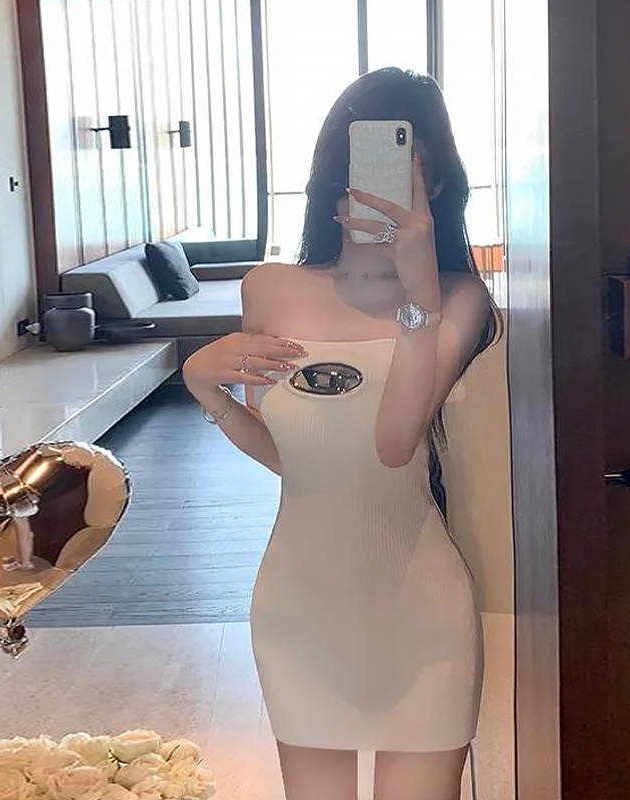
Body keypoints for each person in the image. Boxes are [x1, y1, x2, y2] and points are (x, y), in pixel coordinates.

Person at [183, 67, 504, 800]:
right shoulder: (270, 287)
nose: (376, 191)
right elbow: (297, 459)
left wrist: (419, 295)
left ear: (437, 184)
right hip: (300, 612)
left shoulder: (460, 299)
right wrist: (204, 387)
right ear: (332, 185)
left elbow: (394, 445)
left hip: (423, 618)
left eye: (403, 168)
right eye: (358, 170)